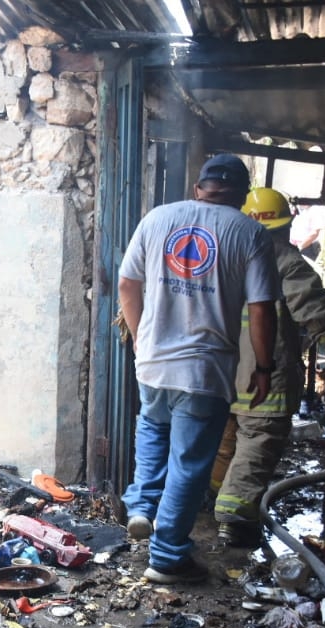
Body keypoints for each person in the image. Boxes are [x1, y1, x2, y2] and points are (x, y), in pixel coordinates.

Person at [118, 153, 281, 583]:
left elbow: (126, 283)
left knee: (153, 428)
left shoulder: (157, 219)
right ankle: (168, 557)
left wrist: (140, 337)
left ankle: (141, 506)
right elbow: (263, 310)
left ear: (198, 189)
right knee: (189, 461)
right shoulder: (250, 233)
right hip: (203, 370)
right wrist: (264, 367)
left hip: (153, 360)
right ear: (243, 196)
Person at [210, 187, 325, 547]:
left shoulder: (225, 254)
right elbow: (316, 310)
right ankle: (234, 520)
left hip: (220, 374)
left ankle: (209, 502)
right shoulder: (285, 260)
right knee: (256, 447)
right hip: (264, 378)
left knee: (223, 445)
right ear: (284, 224)